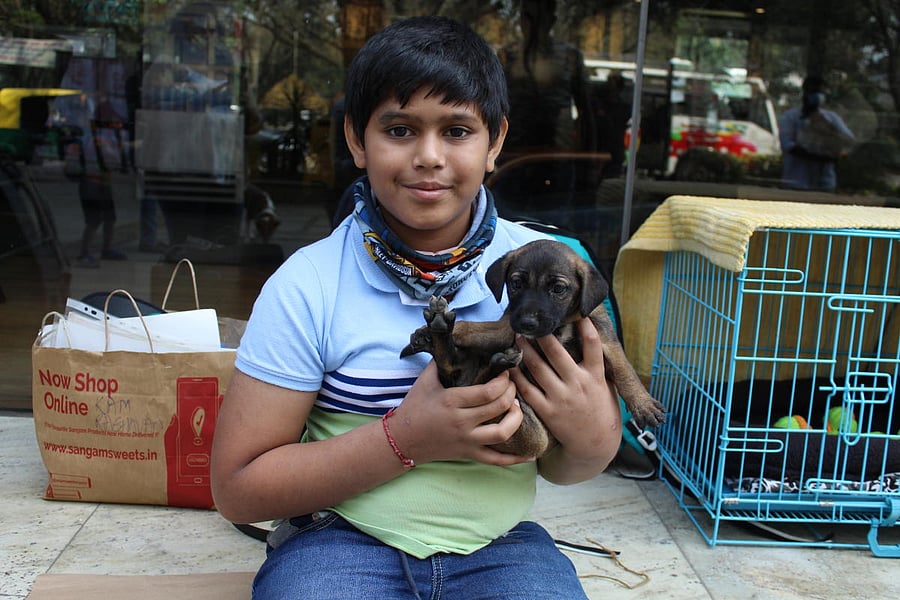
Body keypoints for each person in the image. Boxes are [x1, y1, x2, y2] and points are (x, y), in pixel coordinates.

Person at [210, 15, 621, 599]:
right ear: (357, 140)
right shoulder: (307, 284)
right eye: (400, 129)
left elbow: (569, 465)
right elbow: (238, 489)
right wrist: (406, 438)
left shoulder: (549, 275)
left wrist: (591, 433)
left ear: (495, 142)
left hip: (499, 544)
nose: (429, 156)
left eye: (457, 130)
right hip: (338, 539)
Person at [779, 75, 855, 192]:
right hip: (796, 182)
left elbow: (849, 141)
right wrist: (820, 157)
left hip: (825, 183)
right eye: (813, 91)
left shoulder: (831, 117)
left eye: (820, 92)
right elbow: (788, 146)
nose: (817, 95)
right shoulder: (790, 117)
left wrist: (831, 138)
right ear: (805, 91)